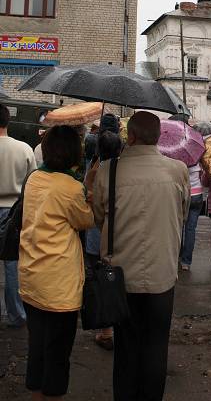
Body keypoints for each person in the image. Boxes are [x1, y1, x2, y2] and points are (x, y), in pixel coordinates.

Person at [93, 111, 190, 401]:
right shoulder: (178, 170)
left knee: (126, 345)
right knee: (157, 344)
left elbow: (99, 218)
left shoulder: (108, 170)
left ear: (130, 136)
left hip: (121, 275)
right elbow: (182, 214)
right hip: (162, 274)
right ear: (158, 136)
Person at [18, 125, 94, 401]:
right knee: (59, 348)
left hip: (31, 272)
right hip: (60, 280)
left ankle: (36, 393)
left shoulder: (34, 179)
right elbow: (85, 220)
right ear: (74, 151)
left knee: (37, 343)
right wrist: (89, 192)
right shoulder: (72, 187)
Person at [85, 129, 122, 350]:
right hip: (115, 234)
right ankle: (114, 325)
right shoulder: (122, 170)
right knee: (114, 279)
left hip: (94, 234)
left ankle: (105, 330)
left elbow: (88, 202)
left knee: (98, 280)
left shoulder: (93, 170)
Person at [0, 103, 36, 327]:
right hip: (13, 212)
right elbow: (33, 183)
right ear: (8, 121)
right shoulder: (24, 149)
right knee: (12, 264)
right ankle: (16, 315)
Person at [180, 162, 203, 270]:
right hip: (196, 195)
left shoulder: (175, 160)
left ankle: (177, 257)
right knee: (190, 229)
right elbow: (202, 177)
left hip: (181, 195)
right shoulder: (196, 159)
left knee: (178, 228)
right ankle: (186, 262)